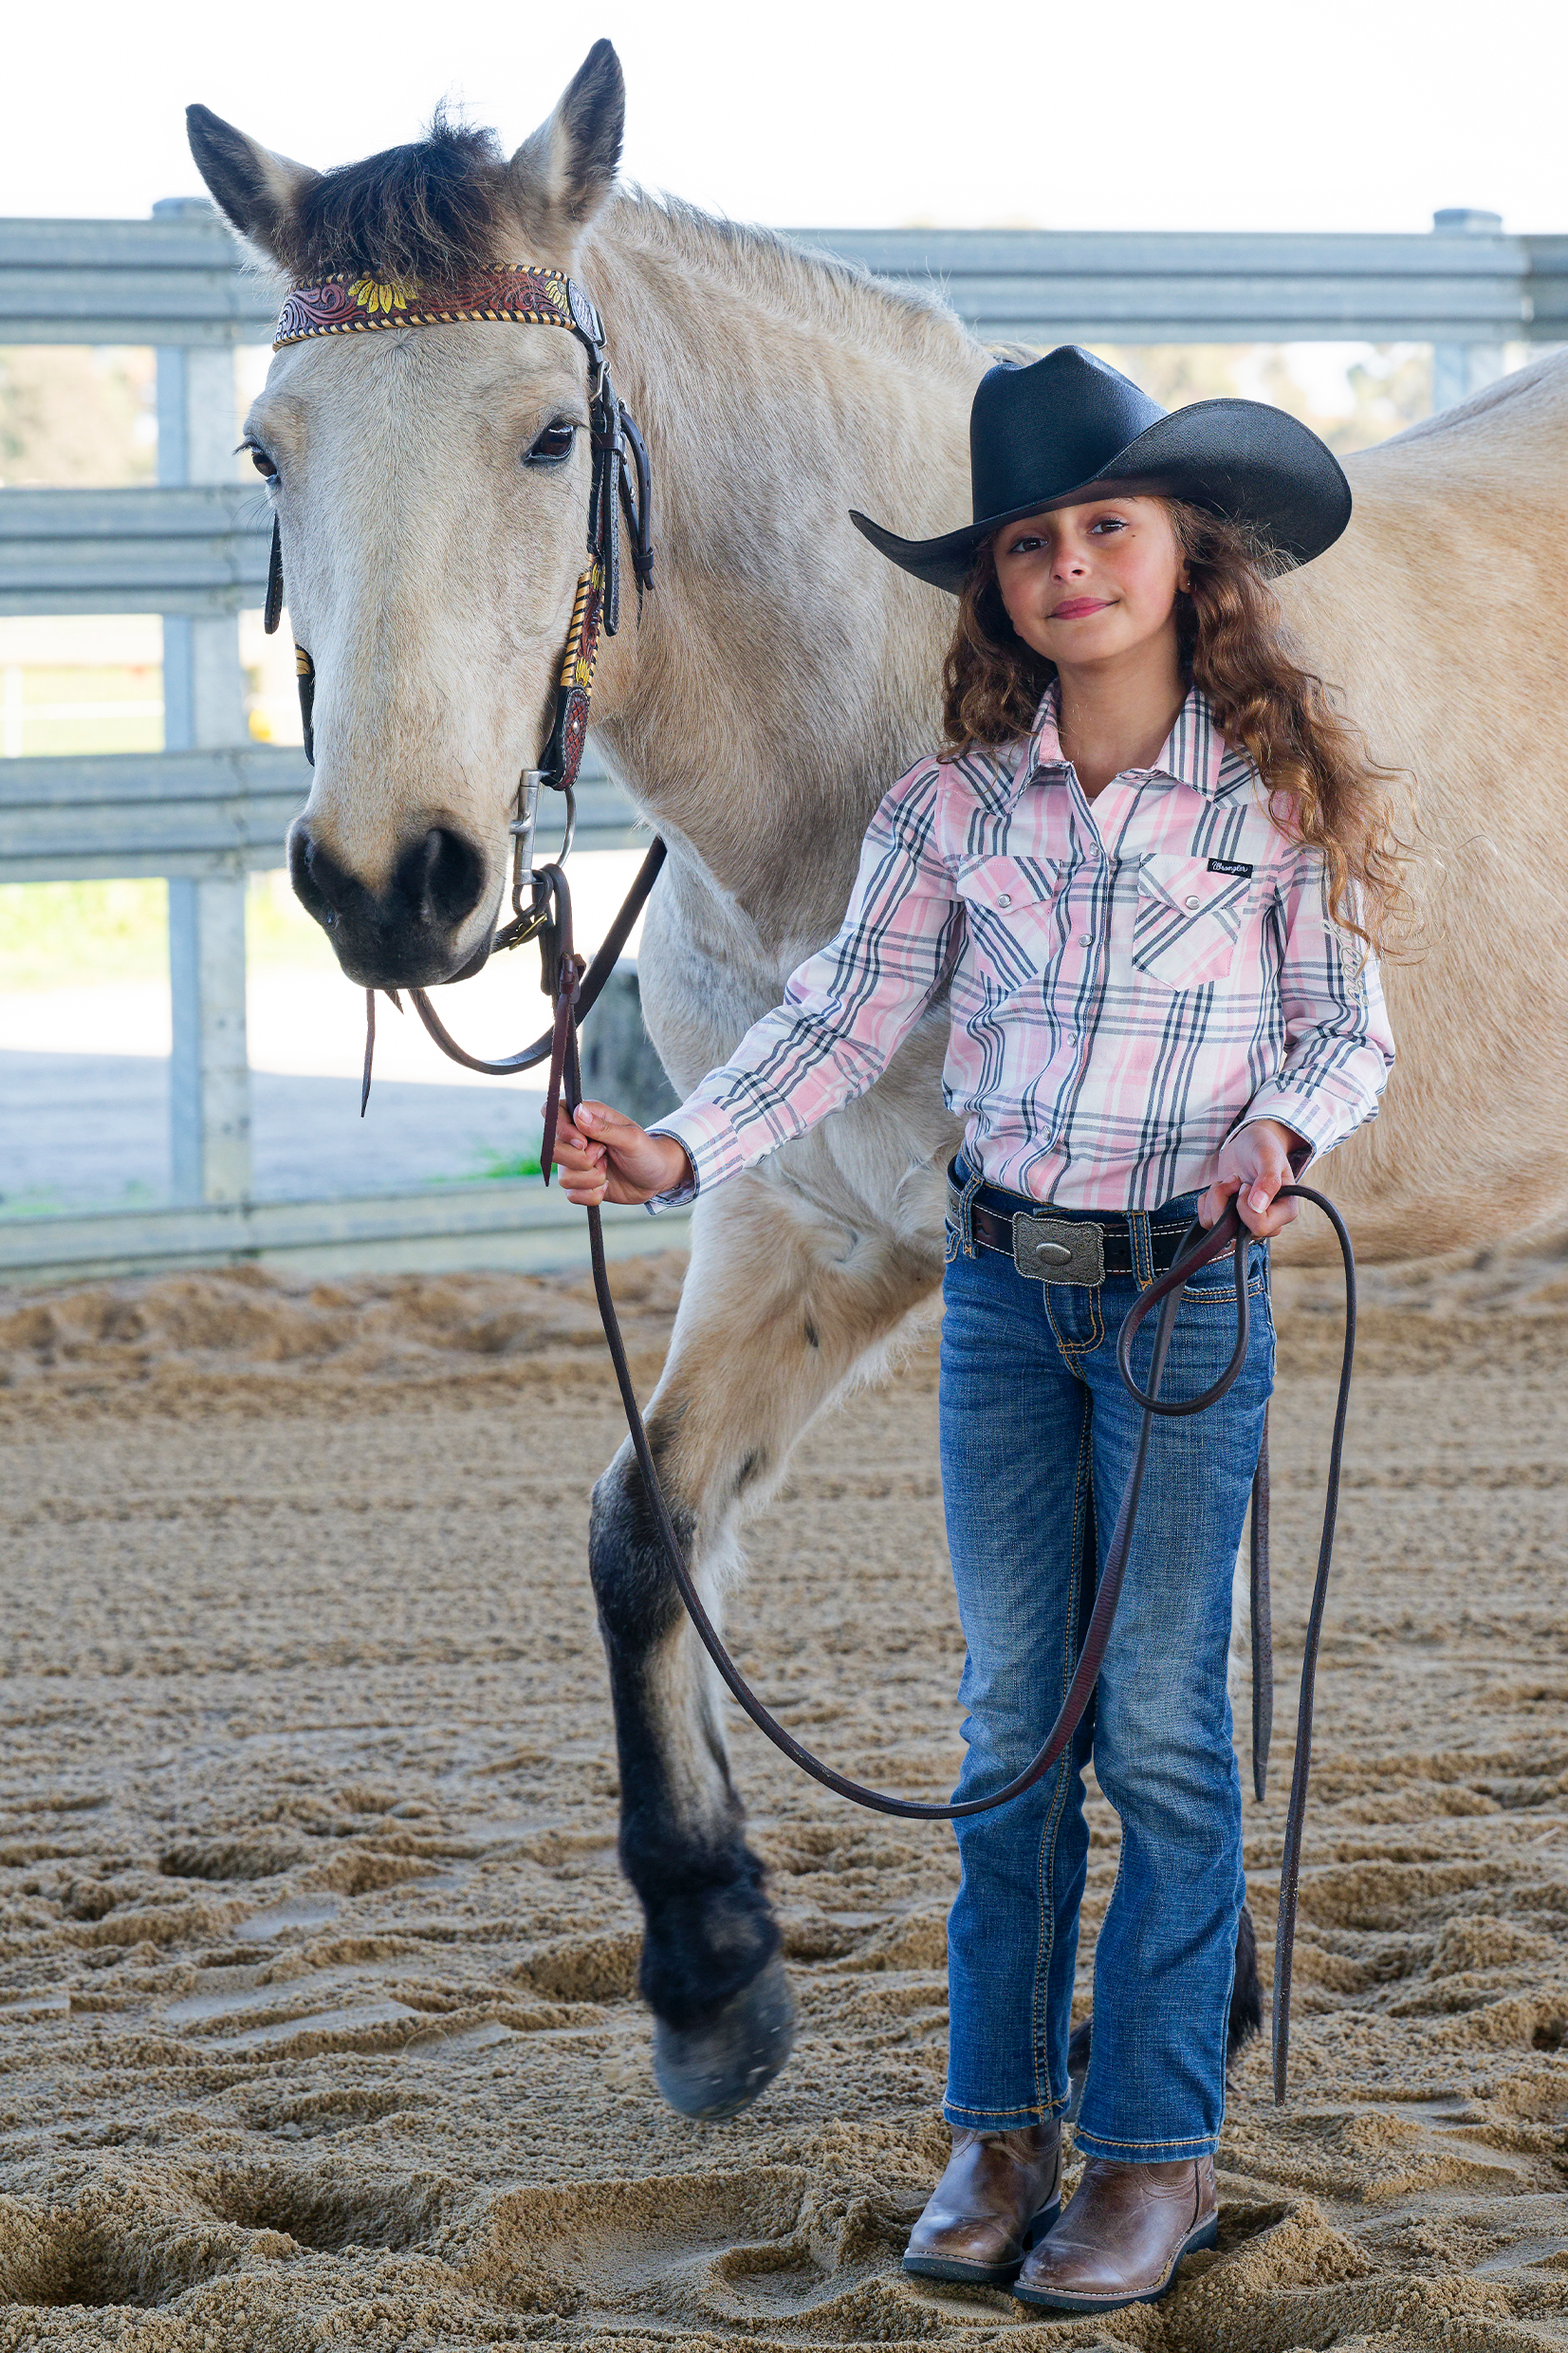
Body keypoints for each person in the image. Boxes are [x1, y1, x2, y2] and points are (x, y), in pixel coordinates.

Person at [549, 346, 1399, 2316]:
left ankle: (1150, 2153)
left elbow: (1342, 1025)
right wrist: (680, 1153)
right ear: (996, 586)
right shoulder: (950, 814)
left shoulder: (1264, 802)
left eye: (1105, 525)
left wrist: (1282, 1124)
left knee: (1165, 1743)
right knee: (1011, 1732)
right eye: (1030, 541)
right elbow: (842, 1021)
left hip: (1187, 1305)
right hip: (1010, 1301)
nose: (1069, 564)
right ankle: (996, 2127)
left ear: (1185, 555)